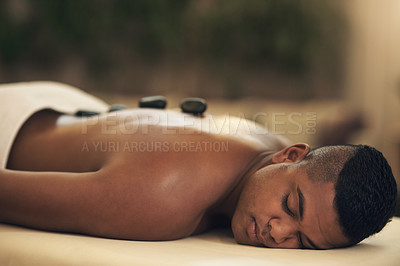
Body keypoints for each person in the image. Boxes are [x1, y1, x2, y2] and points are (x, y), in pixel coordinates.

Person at [0, 82, 397, 250]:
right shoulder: (164, 196)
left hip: (62, 106)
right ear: (290, 155)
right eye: (292, 207)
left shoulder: (268, 152)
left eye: (304, 242)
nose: (279, 233)